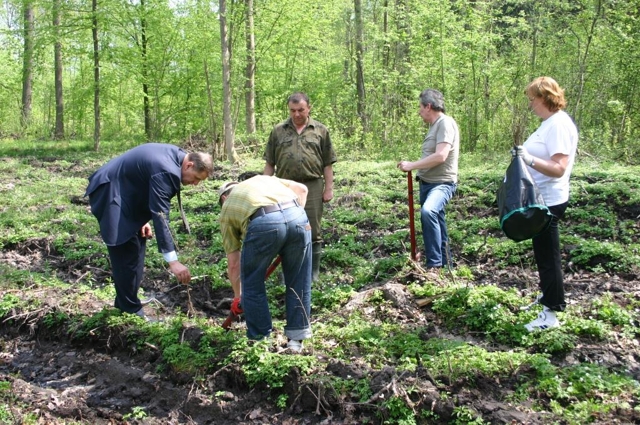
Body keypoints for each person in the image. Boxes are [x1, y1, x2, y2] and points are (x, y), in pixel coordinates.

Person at [85, 143, 213, 319]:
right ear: (189, 165)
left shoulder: (177, 158)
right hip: (111, 193)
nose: (196, 184)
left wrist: (141, 220)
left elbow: (145, 181)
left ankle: (128, 299)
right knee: (125, 249)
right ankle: (128, 310)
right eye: (196, 178)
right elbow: (161, 215)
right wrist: (173, 262)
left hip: (127, 193)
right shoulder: (167, 170)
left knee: (138, 242)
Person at [512, 76, 578, 332]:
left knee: (548, 258)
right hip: (540, 199)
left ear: (545, 98)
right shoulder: (549, 123)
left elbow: (559, 168)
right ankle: (548, 298)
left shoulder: (559, 125)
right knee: (543, 256)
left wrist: (528, 160)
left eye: (532, 99)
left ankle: (551, 313)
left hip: (549, 201)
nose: (530, 105)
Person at [218, 175, 312, 352]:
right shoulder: (263, 179)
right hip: (298, 216)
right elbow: (302, 189)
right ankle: (296, 342)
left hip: (263, 222)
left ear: (224, 197)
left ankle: (261, 341)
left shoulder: (227, 208)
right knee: (299, 280)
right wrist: (292, 226)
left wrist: (239, 296)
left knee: (252, 283)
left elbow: (233, 263)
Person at [263, 92, 337, 281]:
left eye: (301, 110)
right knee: (284, 228)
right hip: (284, 186)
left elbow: (328, 164)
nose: (296, 114)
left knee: (312, 227)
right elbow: (270, 163)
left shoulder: (320, 130)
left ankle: (313, 274)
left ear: (308, 108)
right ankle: (286, 272)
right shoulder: (278, 130)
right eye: (293, 110)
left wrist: (328, 188)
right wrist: (264, 188)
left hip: (312, 185)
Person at [397, 88, 460, 269]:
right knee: (437, 221)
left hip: (442, 183)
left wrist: (412, 165)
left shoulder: (445, 123)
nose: (419, 111)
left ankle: (434, 266)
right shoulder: (435, 126)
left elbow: (441, 156)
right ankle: (447, 266)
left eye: (420, 107)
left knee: (428, 212)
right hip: (427, 184)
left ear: (429, 106)